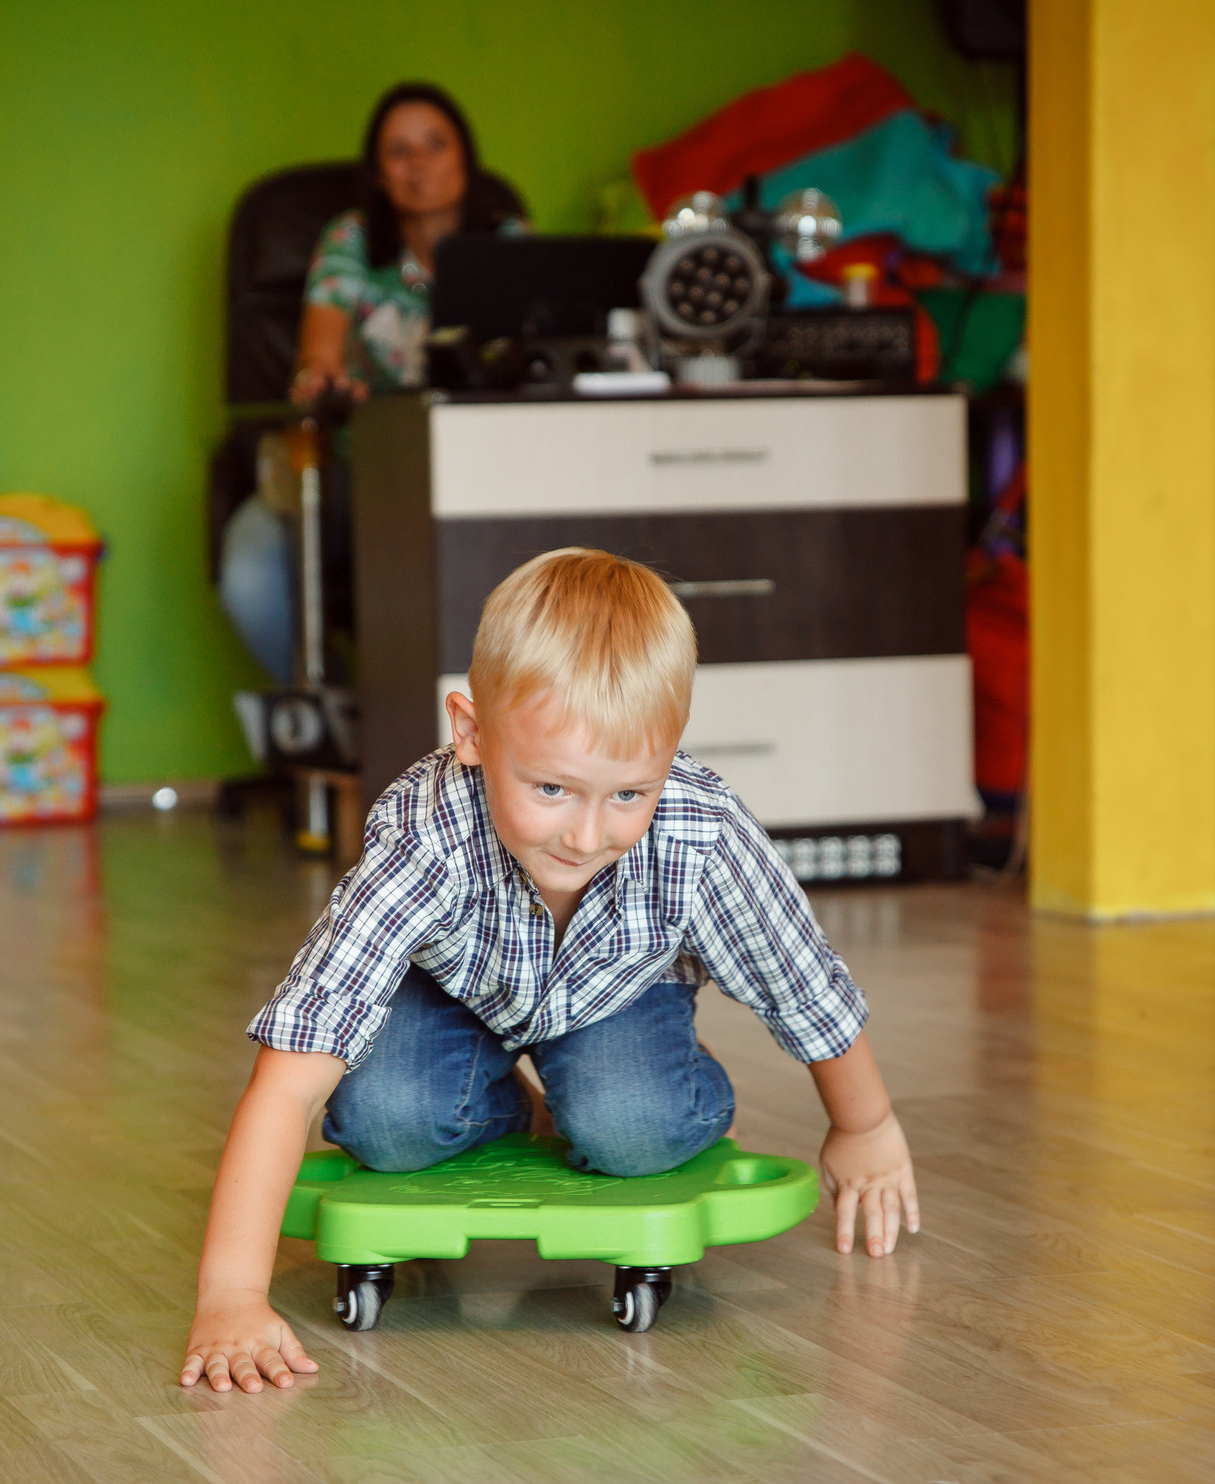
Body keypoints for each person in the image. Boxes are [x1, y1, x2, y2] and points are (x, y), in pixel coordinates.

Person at [182, 549, 921, 1395]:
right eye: (552, 788)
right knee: (385, 1123)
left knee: (630, 1129)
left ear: (671, 759)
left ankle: (635, 1092)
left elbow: (803, 984)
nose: (587, 833)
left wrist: (865, 1127)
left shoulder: (701, 829)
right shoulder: (424, 835)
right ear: (470, 733)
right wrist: (231, 1295)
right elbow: (291, 1074)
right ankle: (514, 1109)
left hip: (622, 995)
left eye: (629, 795)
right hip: (452, 997)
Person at [217, 82, 523, 683]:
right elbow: (319, 349)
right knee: (248, 576)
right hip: (358, 476)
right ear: (379, 175)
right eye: (399, 152)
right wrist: (322, 375)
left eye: (435, 145)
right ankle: (345, 728)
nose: (419, 165)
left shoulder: (511, 243)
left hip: (482, 481)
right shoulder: (351, 241)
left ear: (465, 156)